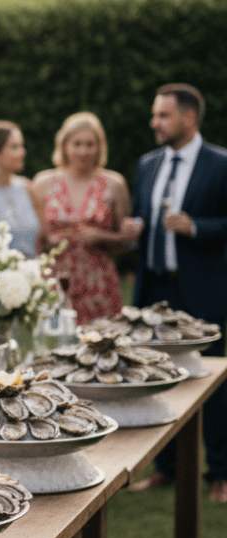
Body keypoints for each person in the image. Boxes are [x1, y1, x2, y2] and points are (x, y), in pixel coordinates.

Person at [120, 84, 227, 503]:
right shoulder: (147, 165)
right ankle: (166, 467)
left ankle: (220, 472)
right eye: (155, 115)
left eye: (163, 115)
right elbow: (143, 216)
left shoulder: (220, 164)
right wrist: (135, 228)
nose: (155, 123)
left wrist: (197, 227)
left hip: (204, 289)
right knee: (157, 379)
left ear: (189, 117)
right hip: (154, 288)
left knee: (214, 380)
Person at [32, 112, 133, 323]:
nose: (83, 151)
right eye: (77, 144)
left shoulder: (114, 184)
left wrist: (102, 237)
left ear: (99, 147)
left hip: (99, 281)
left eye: (90, 144)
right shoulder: (43, 183)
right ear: (64, 146)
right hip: (56, 280)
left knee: (102, 346)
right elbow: (36, 240)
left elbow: (127, 242)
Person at [0, 120, 41, 258]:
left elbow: (43, 237)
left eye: (21, 146)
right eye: (14, 147)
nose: (22, 152)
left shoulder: (28, 188)